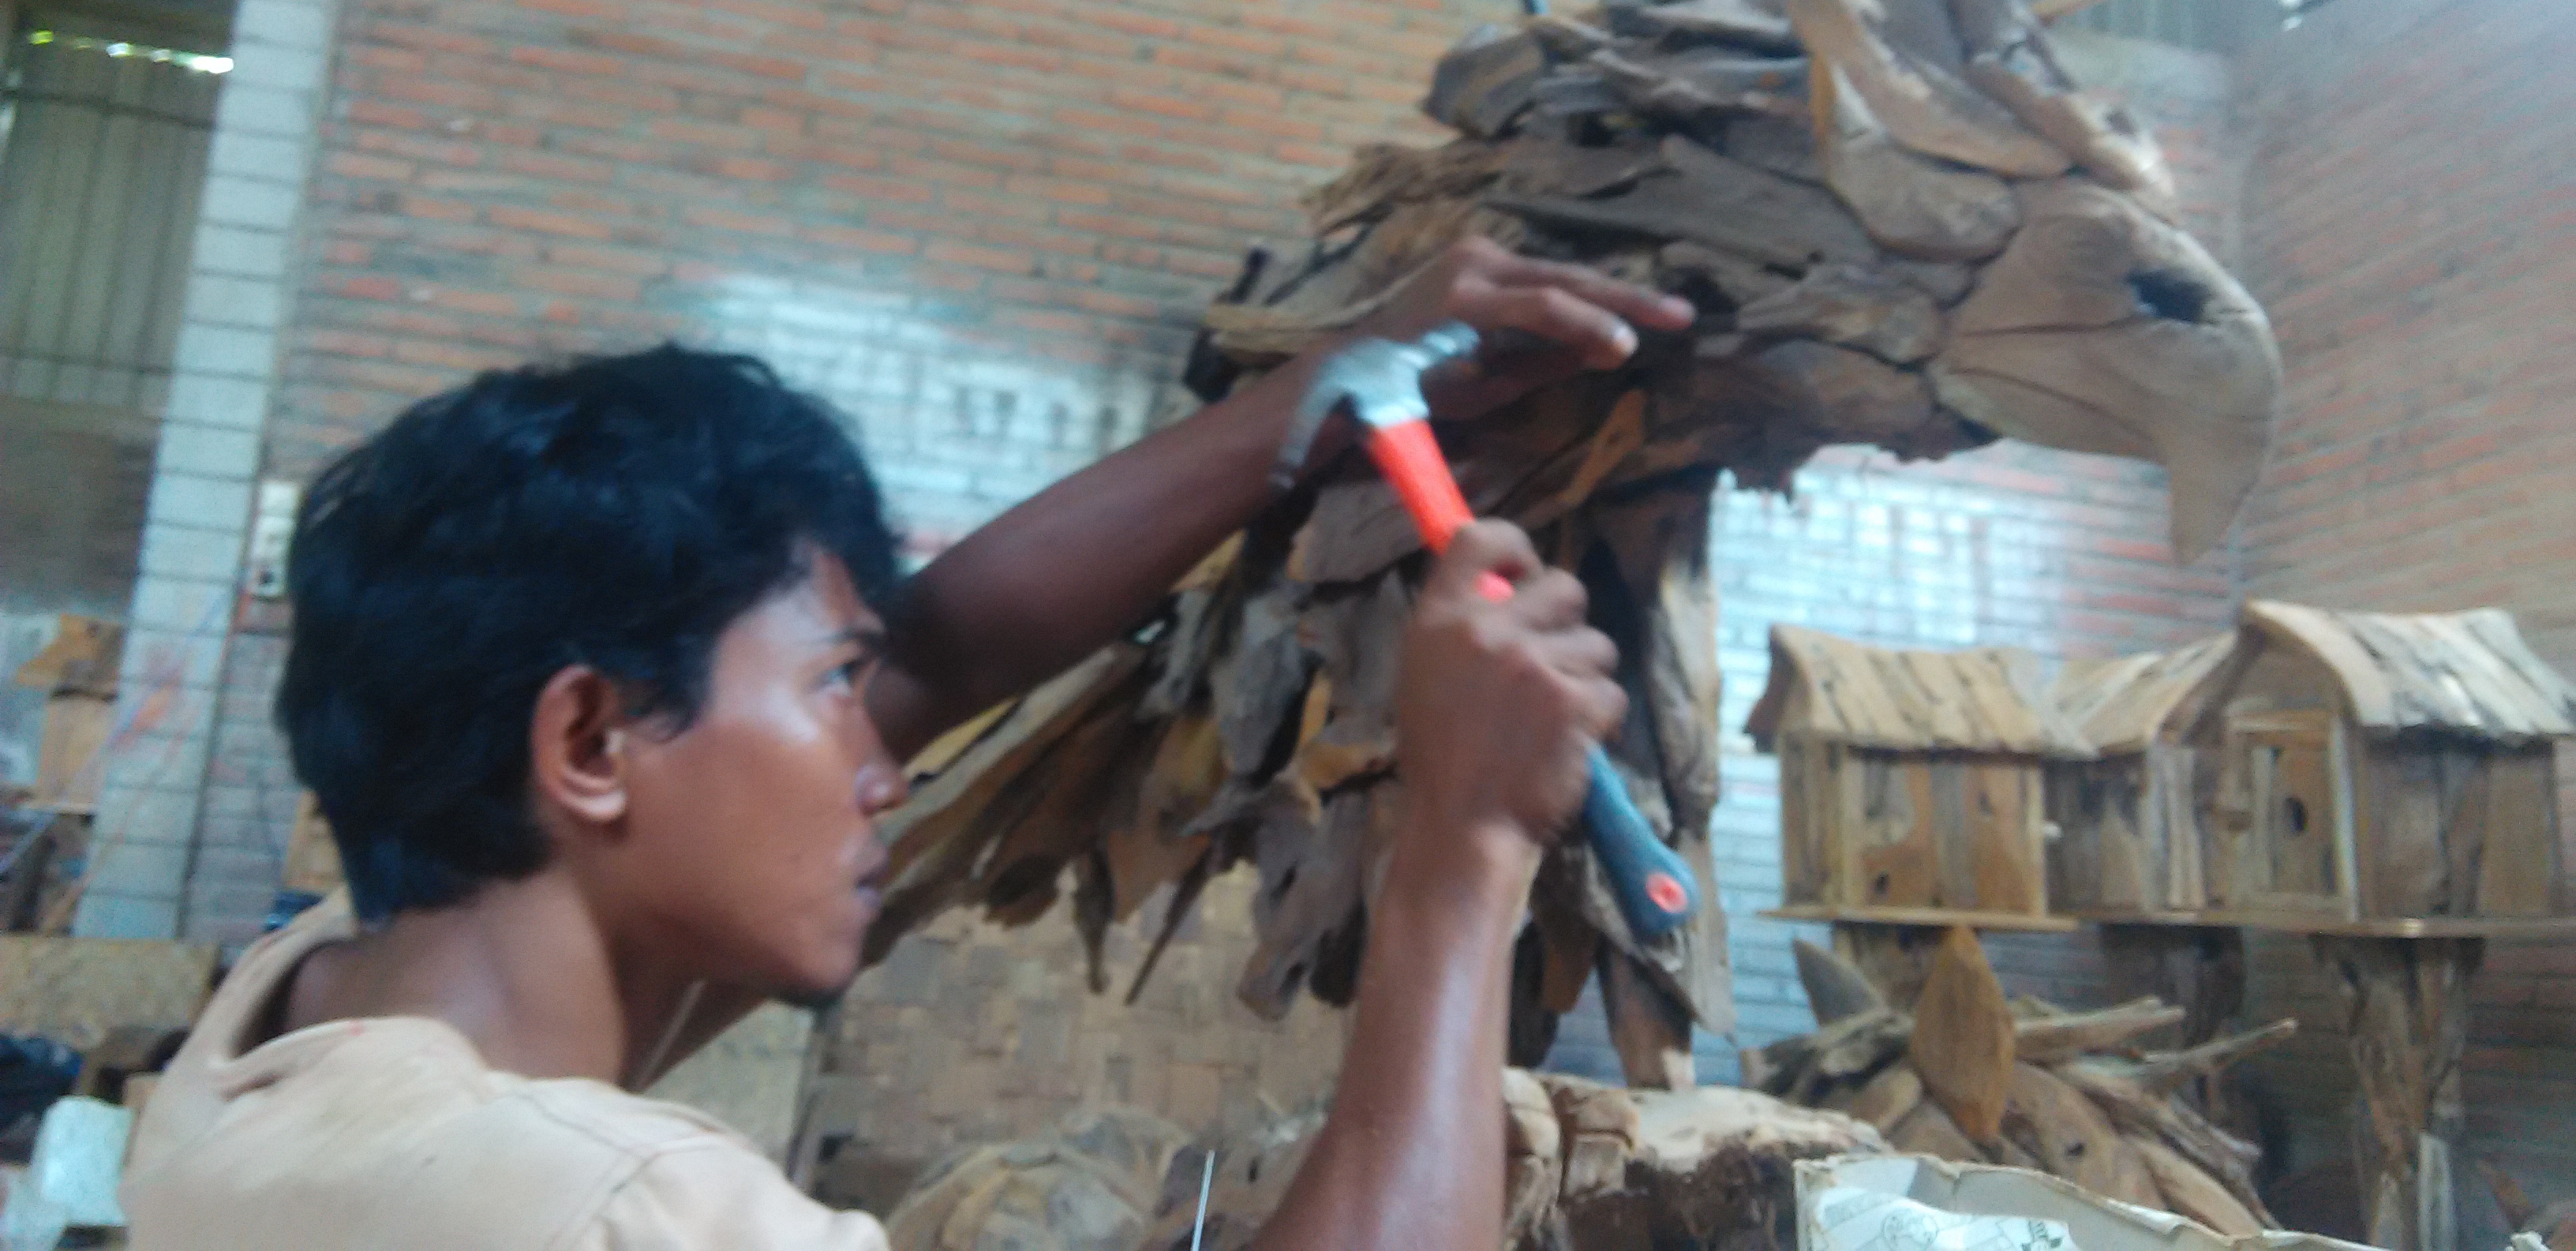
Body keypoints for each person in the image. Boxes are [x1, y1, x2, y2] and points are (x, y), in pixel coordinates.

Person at [122, 238, 1694, 1249]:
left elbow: (941, 652)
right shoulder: (601, 1207)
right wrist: (1462, 855)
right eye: (827, 695)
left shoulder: (307, 1023)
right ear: (593, 738)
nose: (884, 764)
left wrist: (1320, 394)